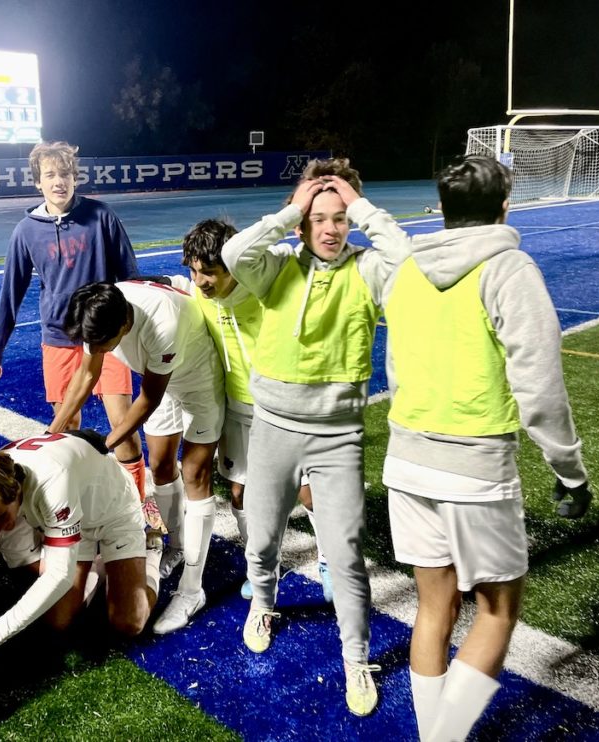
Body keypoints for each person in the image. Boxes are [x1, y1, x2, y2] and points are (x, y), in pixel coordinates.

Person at [380, 155, 591, 741]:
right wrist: (569, 470)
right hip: (475, 467)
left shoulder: (406, 270)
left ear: (444, 208)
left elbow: (396, 368)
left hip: (407, 460)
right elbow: (540, 387)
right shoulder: (508, 267)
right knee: (498, 611)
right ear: (504, 206)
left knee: (433, 609)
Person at [221, 157, 410, 716]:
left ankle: (356, 658)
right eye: (318, 218)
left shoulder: (367, 268)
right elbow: (233, 255)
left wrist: (361, 206)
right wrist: (289, 212)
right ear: (303, 221)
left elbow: (407, 260)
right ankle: (263, 603)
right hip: (273, 426)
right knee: (262, 539)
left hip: (338, 436)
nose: (330, 229)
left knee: (347, 555)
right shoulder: (276, 267)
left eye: (339, 218)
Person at [48, 280, 225, 634]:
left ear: (125, 325)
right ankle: (176, 546)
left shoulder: (163, 323)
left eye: (104, 344)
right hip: (158, 376)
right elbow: (87, 373)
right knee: (160, 466)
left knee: (194, 473)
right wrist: (52, 434)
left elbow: (148, 400)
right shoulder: (100, 311)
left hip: (197, 378)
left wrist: (104, 444)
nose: (98, 350)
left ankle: (192, 590)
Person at [175, 219, 332, 601]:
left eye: (209, 272)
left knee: (309, 492)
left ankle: (331, 561)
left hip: (287, 406)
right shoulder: (198, 294)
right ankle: (264, 564)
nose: (200, 281)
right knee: (241, 493)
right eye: (193, 271)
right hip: (238, 407)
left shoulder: (267, 286)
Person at [0, 140, 147, 497]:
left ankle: (137, 502)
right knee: (68, 428)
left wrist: (135, 334)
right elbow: (11, 291)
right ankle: (78, 501)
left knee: (122, 423)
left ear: (75, 178)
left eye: (65, 174)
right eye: (50, 175)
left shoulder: (101, 216)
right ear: (38, 182)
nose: (59, 181)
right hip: (59, 337)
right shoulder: (26, 231)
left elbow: (130, 276)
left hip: (105, 336)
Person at [0, 433, 163, 670]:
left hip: (114, 511)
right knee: (58, 620)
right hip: (75, 512)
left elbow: (59, 575)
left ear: (16, 490)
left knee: (129, 622)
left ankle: (152, 548)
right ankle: (102, 563)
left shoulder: (52, 483)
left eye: (0, 518)